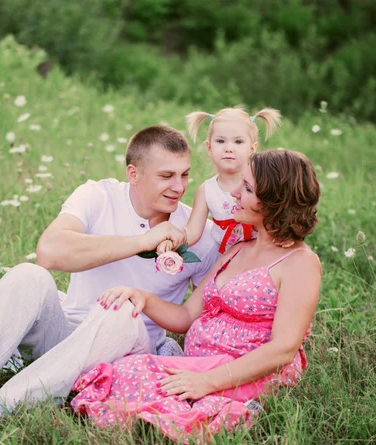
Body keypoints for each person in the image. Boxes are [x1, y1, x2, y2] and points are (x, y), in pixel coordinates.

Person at [0, 125, 220, 442]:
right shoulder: (99, 195)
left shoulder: (199, 233)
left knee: (122, 310)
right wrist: (142, 240)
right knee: (29, 274)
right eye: (166, 176)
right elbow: (49, 252)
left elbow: (201, 315)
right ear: (133, 174)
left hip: (127, 349)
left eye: (185, 175)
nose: (179, 186)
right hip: (66, 331)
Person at [71, 149, 322, 442]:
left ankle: (217, 410)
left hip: (247, 370)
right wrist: (141, 297)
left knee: (144, 379)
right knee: (127, 369)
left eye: (248, 188)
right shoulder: (238, 249)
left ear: (274, 202)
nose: (236, 193)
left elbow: (283, 349)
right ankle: (176, 408)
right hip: (202, 365)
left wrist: (206, 381)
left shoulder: (299, 263)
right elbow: (187, 316)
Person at [157, 106, 281, 255]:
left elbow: (278, 216)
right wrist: (172, 242)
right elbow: (193, 232)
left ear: (252, 148)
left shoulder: (261, 183)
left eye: (238, 142)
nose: (229, 148)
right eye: (220, 141)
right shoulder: (207, 190)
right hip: (223, 256)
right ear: (209, 148)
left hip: (259, 253)